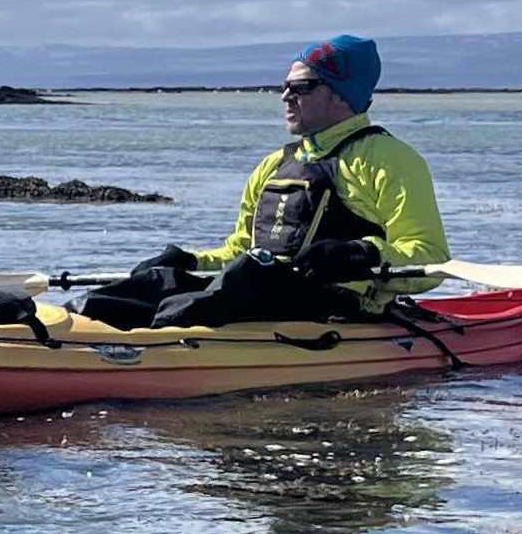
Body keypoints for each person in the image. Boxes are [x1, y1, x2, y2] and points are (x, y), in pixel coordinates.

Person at [82, 33, 447, 331]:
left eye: (301, 87)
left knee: (237, 284)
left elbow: (430, 258)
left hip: (335, 306)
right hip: (258, 289)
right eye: (285, 85)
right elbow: (239, 251)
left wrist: (361, 252)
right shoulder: (275, 164)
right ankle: (71, 334)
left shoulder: (390, 160)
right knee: (155, 284)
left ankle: (142, 355)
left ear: (341, 94)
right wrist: (189, 260)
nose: (286, 96)